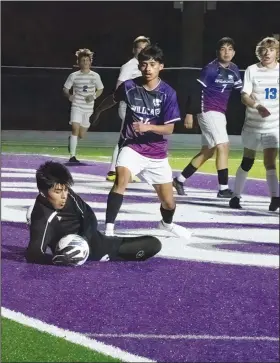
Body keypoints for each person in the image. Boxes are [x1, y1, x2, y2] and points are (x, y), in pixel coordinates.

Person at [91, 45, 192, 239]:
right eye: (144, 64)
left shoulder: (168, 93)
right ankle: (109, 230)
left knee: (169, 203)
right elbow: (112, 99)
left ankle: (166, 224)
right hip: (132, 147)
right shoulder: (129, 87)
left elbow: (169, 129)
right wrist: (98, 111)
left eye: (152, 64)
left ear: (160, 66)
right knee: (121, 180)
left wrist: (149, 128)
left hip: (157, 153)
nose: (148, 68)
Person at [25, 161, 162, 266]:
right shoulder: (41, 217)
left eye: (65, 189)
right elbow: (34, 254)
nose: (64, 196)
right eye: (57, 192)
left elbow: (89, 215)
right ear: (42, 191)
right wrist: (60, 259)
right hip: (94, 255)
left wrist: (84, 239)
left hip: (102, 245)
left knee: (154, 244)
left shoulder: (68, 195)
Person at [173, 37, 243, 197]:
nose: (227, 52)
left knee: (208, 150)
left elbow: (242, 91)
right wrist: (190, 113)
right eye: (223, 49)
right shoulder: (210, 69)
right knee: (223, 146)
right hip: (208, 110)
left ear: (234, 52)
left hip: (220, 113)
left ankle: (180, 179)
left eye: (230, 49)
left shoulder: (234, 69)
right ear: (218, 51)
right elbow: (195, 90)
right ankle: (223, 189)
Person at [229, 37, 279, 211]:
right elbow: (244, 96)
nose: (267, 53)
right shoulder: (252, 70)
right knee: (247, 161)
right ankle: (235, 196)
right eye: (263, 50)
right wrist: (257, 106)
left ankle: (275, 198)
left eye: (271, 50)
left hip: (273, 126)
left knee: (270, 162)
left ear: (277, 52)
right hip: (252, 125)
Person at [106, 35, 151, 182]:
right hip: (128, 106)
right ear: (134, 50)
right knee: (125, 138)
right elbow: (119, 88)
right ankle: (113, 171)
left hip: (140, 107)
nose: (142, 51)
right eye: (139, 48)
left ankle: (127, 171)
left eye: (145, 48)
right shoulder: (130, 66)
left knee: (132, 138)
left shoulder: (147, 65)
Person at [63, 48, 104, 163]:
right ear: (78, 62)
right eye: (83, 60)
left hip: (88, 108)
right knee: (74, 128)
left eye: (87, 60)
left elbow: (100, 89)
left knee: (81, 134)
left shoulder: (95, 76)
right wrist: (69, 96)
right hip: (77, 105)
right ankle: (72, 156)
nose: (85, 62)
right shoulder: (73, 76)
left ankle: (72, 140)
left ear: (90, 61)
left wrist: (94, 96)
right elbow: (65, 89)